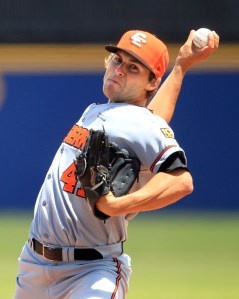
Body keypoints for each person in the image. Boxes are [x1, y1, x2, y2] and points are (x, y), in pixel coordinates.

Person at [14, 29, 219, 299]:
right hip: (34, 265)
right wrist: (180, 66)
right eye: (117, 60)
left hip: (90, 270)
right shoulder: (104, 111)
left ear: (151, 83)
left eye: (133, 67)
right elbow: (151, 121)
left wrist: (115, 206)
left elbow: (181, 180)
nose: (119, 70)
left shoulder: (140, 122)